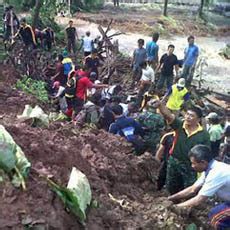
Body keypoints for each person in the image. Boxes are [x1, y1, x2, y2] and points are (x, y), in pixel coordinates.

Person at [153, 100, 210, 194]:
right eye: (187, 114)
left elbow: (205, 152)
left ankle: (185, 205)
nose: (188, 117)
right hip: (174, 161)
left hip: (190, 164)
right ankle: (171, 203)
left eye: (191, 116)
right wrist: (160, 105)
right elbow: (169, 116)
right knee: (171, 184)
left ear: (199, 120)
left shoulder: (204, 135)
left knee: (189, 187)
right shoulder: (179, 126)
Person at [168, 145, 230, 229]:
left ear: (203, 162)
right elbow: (192, 189)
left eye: (193, 163)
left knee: (216, 218)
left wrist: (173, 208)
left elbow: (198, 200)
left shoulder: (216, 173)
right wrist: (170, 198)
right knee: (214, 213)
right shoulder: (210, 168)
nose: (192, 166)